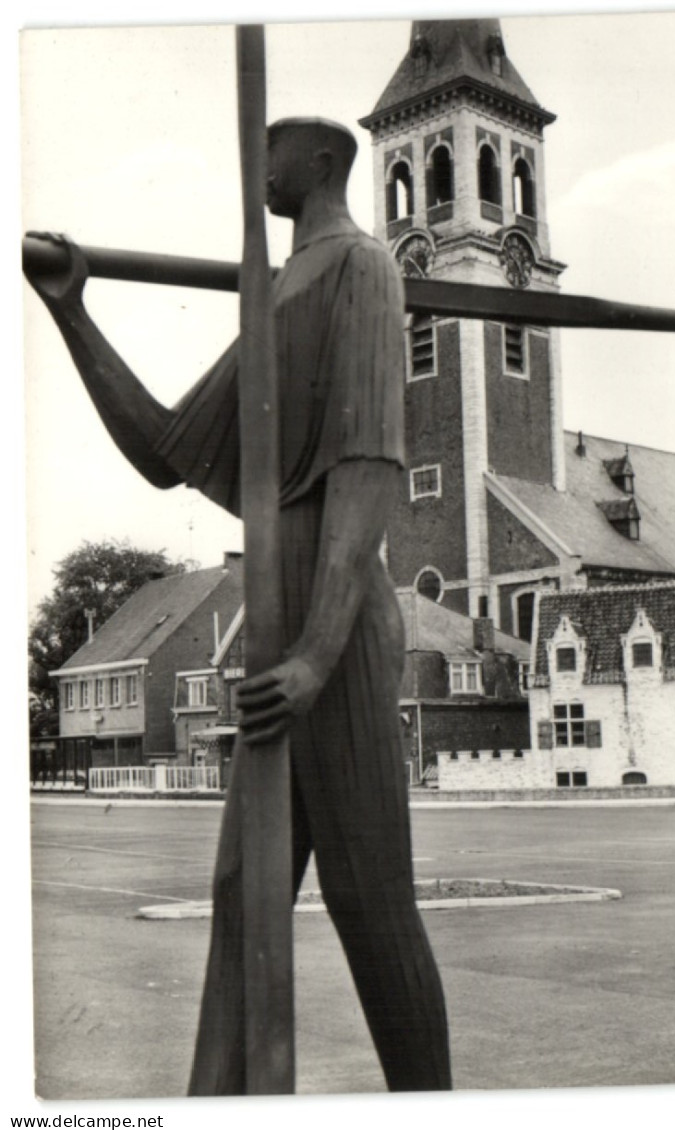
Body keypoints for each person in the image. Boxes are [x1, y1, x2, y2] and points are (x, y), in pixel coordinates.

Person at [24, 116, 452, 1094]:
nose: (257, 168)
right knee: (242, 897)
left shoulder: (362, 268)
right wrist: (71, 312)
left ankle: (434, 1110)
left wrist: (315, 651)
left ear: (323, 162)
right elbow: (166, 450)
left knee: (369, 903)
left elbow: (368, 469)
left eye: (272, 152)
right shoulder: (277, 293)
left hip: (329, 631)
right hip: (275, 623)